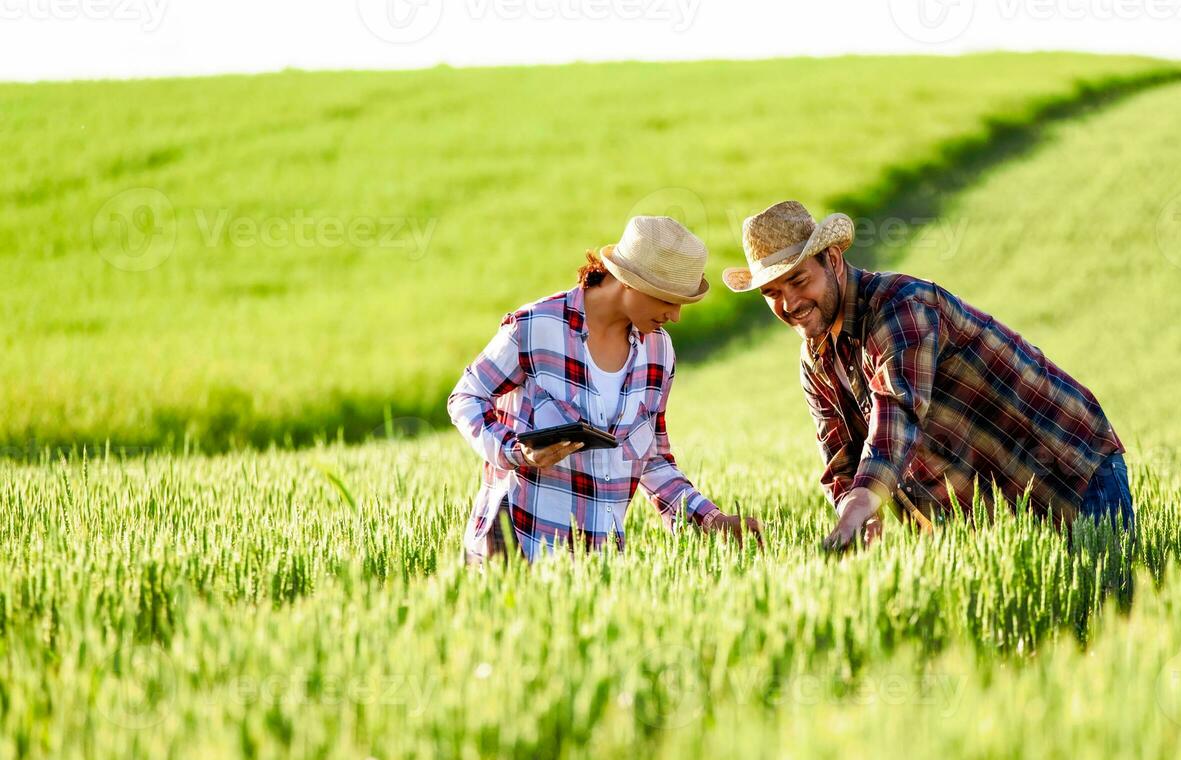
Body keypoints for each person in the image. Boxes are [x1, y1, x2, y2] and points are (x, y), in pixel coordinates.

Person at [722, 200, 1131, 551]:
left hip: (1067, 474)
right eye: (771, 293)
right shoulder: (816, 361)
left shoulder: (901, 307)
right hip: (985, 518)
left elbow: (896, 410)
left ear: (832, 261)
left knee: (1103, 613)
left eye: (797, 280)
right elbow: (839, 459)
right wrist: (856, 514)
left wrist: (864, 501)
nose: (789, 302)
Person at [449, 215, 763, 564]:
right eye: (668, 299)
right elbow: (466, 397)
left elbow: (652, 459)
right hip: (513, 552)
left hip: (598, 567)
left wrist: (712, 520)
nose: (675, 315)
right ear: (629, 282)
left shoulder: (659, 353)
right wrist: (515, 451)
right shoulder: (535, 327)